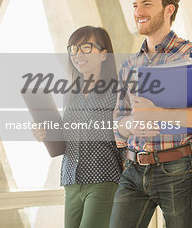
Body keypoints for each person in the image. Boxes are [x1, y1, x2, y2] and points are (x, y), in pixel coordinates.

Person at [109, 0, 192, 228]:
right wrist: (132, 125)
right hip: (132, 169)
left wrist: (160, 115)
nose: (138, 11)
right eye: (135, 5)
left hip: (177, 170)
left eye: (147, 4)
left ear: (168, 9)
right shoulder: (129, 64)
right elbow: (118, 127)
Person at [33, 26, 124, 228]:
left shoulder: (117, 91)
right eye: (73, 49)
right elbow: (70, 134)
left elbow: (125, 138)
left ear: (103, 54)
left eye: (85, 47)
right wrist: (45, 133)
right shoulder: (69, 93)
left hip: (103, 178)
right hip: (71, 180)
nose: (77, 54)